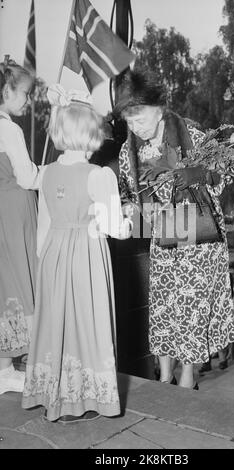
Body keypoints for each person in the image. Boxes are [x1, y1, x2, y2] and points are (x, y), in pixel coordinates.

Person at [114, 70, 234, 390]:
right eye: (129, 120)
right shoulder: (129, 153)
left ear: (159, 107)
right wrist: (129, 214)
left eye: (139, 117)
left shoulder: (192, 134)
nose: (135, 127)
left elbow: (224, 175)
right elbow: (130, 196)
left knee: (193, 308)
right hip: (163, 235)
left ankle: (187, 378)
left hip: (197, 234)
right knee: (166, 307)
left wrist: (200, 174)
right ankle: (164, 376)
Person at [22, 84, 132, 423]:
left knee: (57, 322)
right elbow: (116, 228)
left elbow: (43, 226)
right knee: (87, 321)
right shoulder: (99, 176)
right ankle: (80, 399)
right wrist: (130, 218)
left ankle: (53, 393)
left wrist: (45, 263)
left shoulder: (47, 173)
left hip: (54, 256)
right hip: (86, 256)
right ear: (92, 135)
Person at [0, 56, 38, 394]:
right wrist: (53, 172)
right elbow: (26, 176)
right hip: (13, 212)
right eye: (25, 94)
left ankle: (5, 363)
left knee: (4, 283)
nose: (27, 101)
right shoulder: (8, 128)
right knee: (17, 284)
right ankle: (6, 368)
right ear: (7, 91)